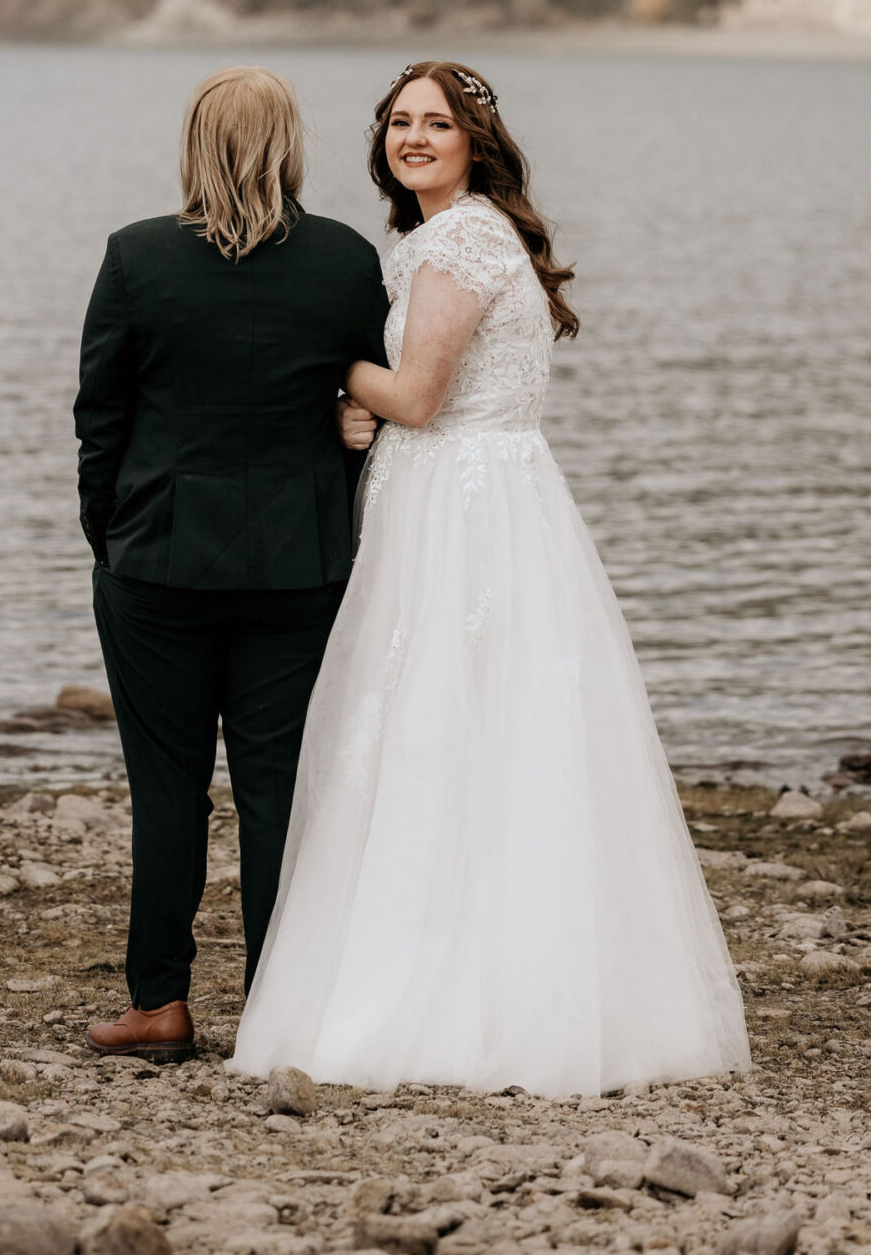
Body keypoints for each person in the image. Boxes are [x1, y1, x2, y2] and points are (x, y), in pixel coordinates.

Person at [232, 60, 751, 1096]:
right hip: (475, 495)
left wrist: (325, 366)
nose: (414, 137)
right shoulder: (433, 237)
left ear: (476, 142)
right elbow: (420, 392)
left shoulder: (463, 235)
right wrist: (360, 406)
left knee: (439, 729)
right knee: (481, 733)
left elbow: (421, 393)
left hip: (460, 510)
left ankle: (444, 998)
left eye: (438, 123)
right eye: (400, 121)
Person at [74, 65, 388, 1063]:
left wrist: (109, 536)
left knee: (167, 789)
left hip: (158, 559)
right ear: (291, 146)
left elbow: (100, 420)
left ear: (194, 143)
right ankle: (278, 1007)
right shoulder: (344, 259)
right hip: (298, 565)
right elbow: (369, 404)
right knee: (279, 790)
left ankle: (160, 1003)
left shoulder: (136, 257)